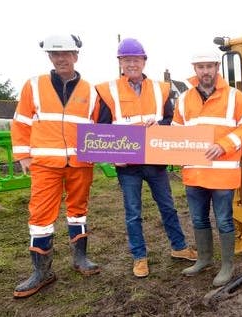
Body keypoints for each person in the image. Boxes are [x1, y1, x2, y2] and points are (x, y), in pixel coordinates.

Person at [95, 38, 197, 278]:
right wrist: (111, 156)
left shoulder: (161, 88)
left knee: (168, 207)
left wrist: (158, 123)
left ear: (144, 61)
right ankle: (139, 257)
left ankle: (179, 247)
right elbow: (101, 127)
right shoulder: (107, 91)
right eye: (127, 60)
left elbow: (170, 121)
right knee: (133, 213)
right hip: (128, 165)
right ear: (120, 62)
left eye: (136, 59)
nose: (132, 64)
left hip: (155, 160)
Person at [11, 34, 101, 298]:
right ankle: (42, 272)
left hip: (80, 162)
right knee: (39, 216)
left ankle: (80, 259)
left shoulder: (90, 90)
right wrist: (22, 155)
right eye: (55, 54)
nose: (61, 58)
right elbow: (21, 122)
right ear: (49, 57)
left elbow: (98, 127)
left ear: (76, 56)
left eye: (66, 54)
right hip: (45, 164)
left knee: (78, 211)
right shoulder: (34, 85)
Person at [172, 51, 242, 286]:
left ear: (217, 67)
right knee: (199, 220)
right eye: (201, 66)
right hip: (194, 173)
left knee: (224, 221)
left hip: (222, 174)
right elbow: (175, 130)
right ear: (195, 68)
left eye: (209, 66)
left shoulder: (234, 97)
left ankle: (227, 266)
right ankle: (204, 259)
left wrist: (224, 145)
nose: (205, 71)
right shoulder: (184, 99)